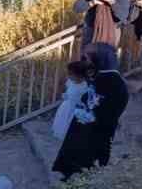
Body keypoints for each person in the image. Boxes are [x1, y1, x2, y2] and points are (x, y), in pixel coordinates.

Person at [54, 43, 130, 178]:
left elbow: (111, 106)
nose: (85, 61)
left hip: (97, 129)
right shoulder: (100, 75)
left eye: (87, 58)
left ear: (99, 59)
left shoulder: (114, 81)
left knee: (87, 159)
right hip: (86, 124)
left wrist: (90, 111)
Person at [51, 58, 97, 141]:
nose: (68, 76)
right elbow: (67, 94)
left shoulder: (85, 87)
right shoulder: (70, 82)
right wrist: (61, 91)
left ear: (80, 75)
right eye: (68, 74)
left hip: (76, 111)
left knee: (71, 129)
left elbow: (87, 101)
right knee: (63, 126)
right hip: (66, 108)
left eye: (71, 74)